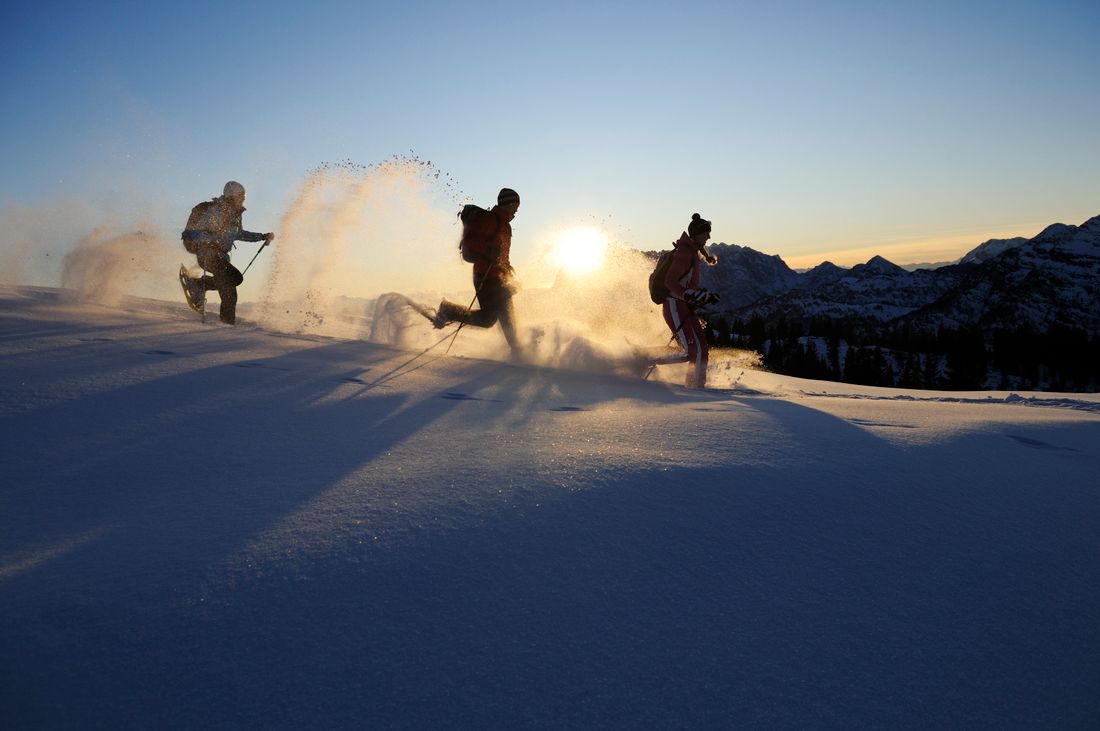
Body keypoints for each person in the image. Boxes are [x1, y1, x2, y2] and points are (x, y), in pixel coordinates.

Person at [434, 187, 524, 358]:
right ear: (507, 204)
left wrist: (507, 268)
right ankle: (448, 310)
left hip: (498, 277)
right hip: (485, 276)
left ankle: (517, 350)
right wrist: (488, 251)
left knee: (507, 315)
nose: (516, 211)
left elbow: (502, 253)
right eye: (515, 206)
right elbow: (469, 242)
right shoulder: (490, 220)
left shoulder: (506, 226)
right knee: (488, 319)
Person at [181, 181, 273, 324]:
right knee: (230, 289)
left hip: (220, 257)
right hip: (208, 254)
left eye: (244, 196)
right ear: (231, 196)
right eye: (240, 196)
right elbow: (194, 232)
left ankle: (198, 284)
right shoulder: (215, 210)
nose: (243, 199)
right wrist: (209, 241)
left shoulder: (235, 214)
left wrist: (261, 236)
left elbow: (239, 234)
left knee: (236, 279)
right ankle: (226, 324)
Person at [652, 213, 720, 388]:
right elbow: (670, 282)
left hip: (684, 307)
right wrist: (688, 295)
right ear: (697, 234)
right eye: (706, 233)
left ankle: (697, 387)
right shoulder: (684, 253)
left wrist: (703, 296)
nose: (709, 237)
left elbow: (687, 285)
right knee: (692, 351)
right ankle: (644, 359)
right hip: (674, 306)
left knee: (702, 349)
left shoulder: (693, 252)